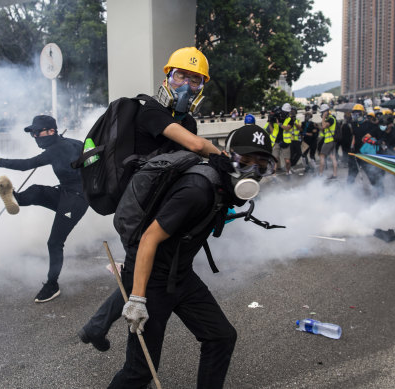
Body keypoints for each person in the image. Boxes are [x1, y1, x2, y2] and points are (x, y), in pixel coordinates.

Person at [107, 124, 276, 388]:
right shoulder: (198, 189)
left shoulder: (222, 187)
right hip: (152, 280)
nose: (252, 172)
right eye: (244, 162)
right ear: (228, 157)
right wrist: (138, 299)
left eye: (261, 165)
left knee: (220, 337)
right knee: (140, 371)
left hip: (180, 275)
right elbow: (149, 238)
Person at [79, 46, 221, 351]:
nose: (186, 85)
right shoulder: (151, 111)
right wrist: (230, 160)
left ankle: (96, 328)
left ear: (201, 87)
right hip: (138, 210)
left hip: (161, 208)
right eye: (181, 75)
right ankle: (132, 359)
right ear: (168, 76)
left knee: (137, 273)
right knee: (142, 276)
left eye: (195, 80)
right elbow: (196, 146)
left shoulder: (189, 122)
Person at [0, 115, 89, 303]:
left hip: (76, 200)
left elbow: (27, 165)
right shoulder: (72, 142)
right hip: (65, 194)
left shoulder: (57, 149)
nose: (34, 136)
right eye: (32, 134)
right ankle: (15, 199)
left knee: (54, 242)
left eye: (36, 132)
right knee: (36, 190)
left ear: (51, 131)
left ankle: (52, 284)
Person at [264, 103, 293, 175]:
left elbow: (287, 128)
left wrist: (279, 124)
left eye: (286, 112)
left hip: (285, 142)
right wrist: (270, 122)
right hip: (276, 141)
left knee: (287, 161)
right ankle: (274, 175)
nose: (284, 114)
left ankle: (288, 171)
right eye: (283, 112)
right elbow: (272, 131)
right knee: (275, 159)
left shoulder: (290, 119)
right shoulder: (276, 117)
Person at [318, 104, 338, 179]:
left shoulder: (331, 119)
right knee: (333, 157)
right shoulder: (331, 119)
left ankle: (320, 174)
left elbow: (324, 126)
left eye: (322, 112)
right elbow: (324, 128)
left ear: (325, 112)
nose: (322, 114)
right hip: (332, 141)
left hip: (329, 141)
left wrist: (323, 117)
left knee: (322, 156)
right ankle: (335, 175)